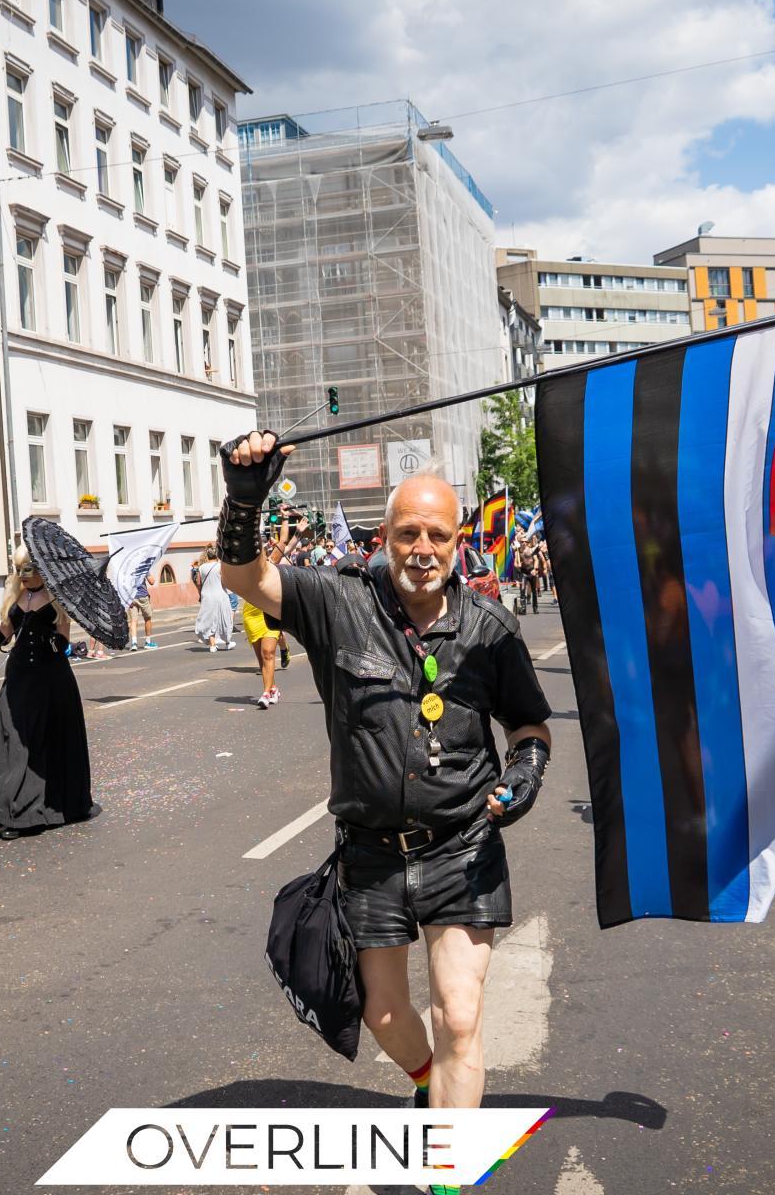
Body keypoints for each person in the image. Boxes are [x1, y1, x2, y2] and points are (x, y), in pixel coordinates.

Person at [218, 431, 552, 1123]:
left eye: (437, 535)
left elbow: (529, 725)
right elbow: (246, 580)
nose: (422, 549)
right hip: (371, 853)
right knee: (385, 1013)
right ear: (384, 538)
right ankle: (427, 1078)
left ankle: (448, 1160)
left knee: (459, 1014)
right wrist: (245, 501)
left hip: (463, 847)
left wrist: (527, 770)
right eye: (408, 534)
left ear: (457, 542)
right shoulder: (338, 603)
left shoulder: (490, 628)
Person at [0, 545, 95, 839]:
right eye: (19, 569)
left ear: (42, 568)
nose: (23, 574)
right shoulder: (14, 596)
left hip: (51, 680)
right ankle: (9, 811)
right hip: (19, 678)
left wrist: (54, 639)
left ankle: (30, 814)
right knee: (14, 742)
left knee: (42, 742)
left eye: (28, 568)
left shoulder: (58, 600)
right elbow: (3, 637)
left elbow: (63, 642)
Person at [192, 545, 235, 651]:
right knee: (224, 618)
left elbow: (198, 583)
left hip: (207, 596)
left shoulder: (201, 567)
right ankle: (227, 642)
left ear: (208, 555)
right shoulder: (220, 566)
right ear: (217, 555)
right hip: (221, 595)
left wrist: (201, 593)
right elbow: (226, 581)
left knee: (209, 620)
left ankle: (212, 645)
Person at [242, 597, 282, 709]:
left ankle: (266, 694)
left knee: (268, 653)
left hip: (271, 612)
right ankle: (273, 689)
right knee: (262, 659)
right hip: (252, 615)